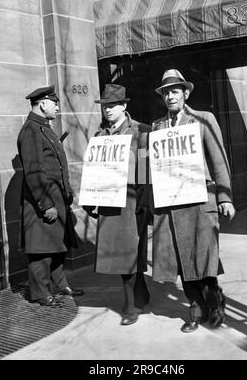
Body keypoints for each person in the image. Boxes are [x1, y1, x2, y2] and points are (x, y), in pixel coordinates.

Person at [150, 69, 235, 332]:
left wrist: (225, 197)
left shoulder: (203, 119)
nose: (170, 97)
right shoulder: (157, 127)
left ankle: (214, 301)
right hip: (171, 205)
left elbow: (218, 160)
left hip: (201, 201)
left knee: (204, 260)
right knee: (182, 262)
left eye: (175, 91)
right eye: (166, 93)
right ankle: (195, 310)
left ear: (185, 93)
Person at [83, 84, 151, 325]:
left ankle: (132, 305)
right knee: (124, 256)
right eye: (104, 106)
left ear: (124, 106)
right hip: (108, 201)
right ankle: (139, 297)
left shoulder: (141, 131)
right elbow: (92, 170)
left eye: (112, 105)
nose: (108, 110)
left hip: (133, 201)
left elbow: (146, 168)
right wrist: (89, 201)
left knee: (129, 253)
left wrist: (145, 203)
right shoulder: (99, 137)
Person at [17, 85, 83, 308]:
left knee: (57, 247)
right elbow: (34, 173)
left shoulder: (43, 128)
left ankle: (60, 285)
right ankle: (41, 293)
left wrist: (67, 192)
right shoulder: (30, 131)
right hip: (43, 203)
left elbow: (56, 167)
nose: (57, 108)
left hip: (56, 199)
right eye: (55, 104)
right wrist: (46, 205)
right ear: (43, 104)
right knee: (41, 251)